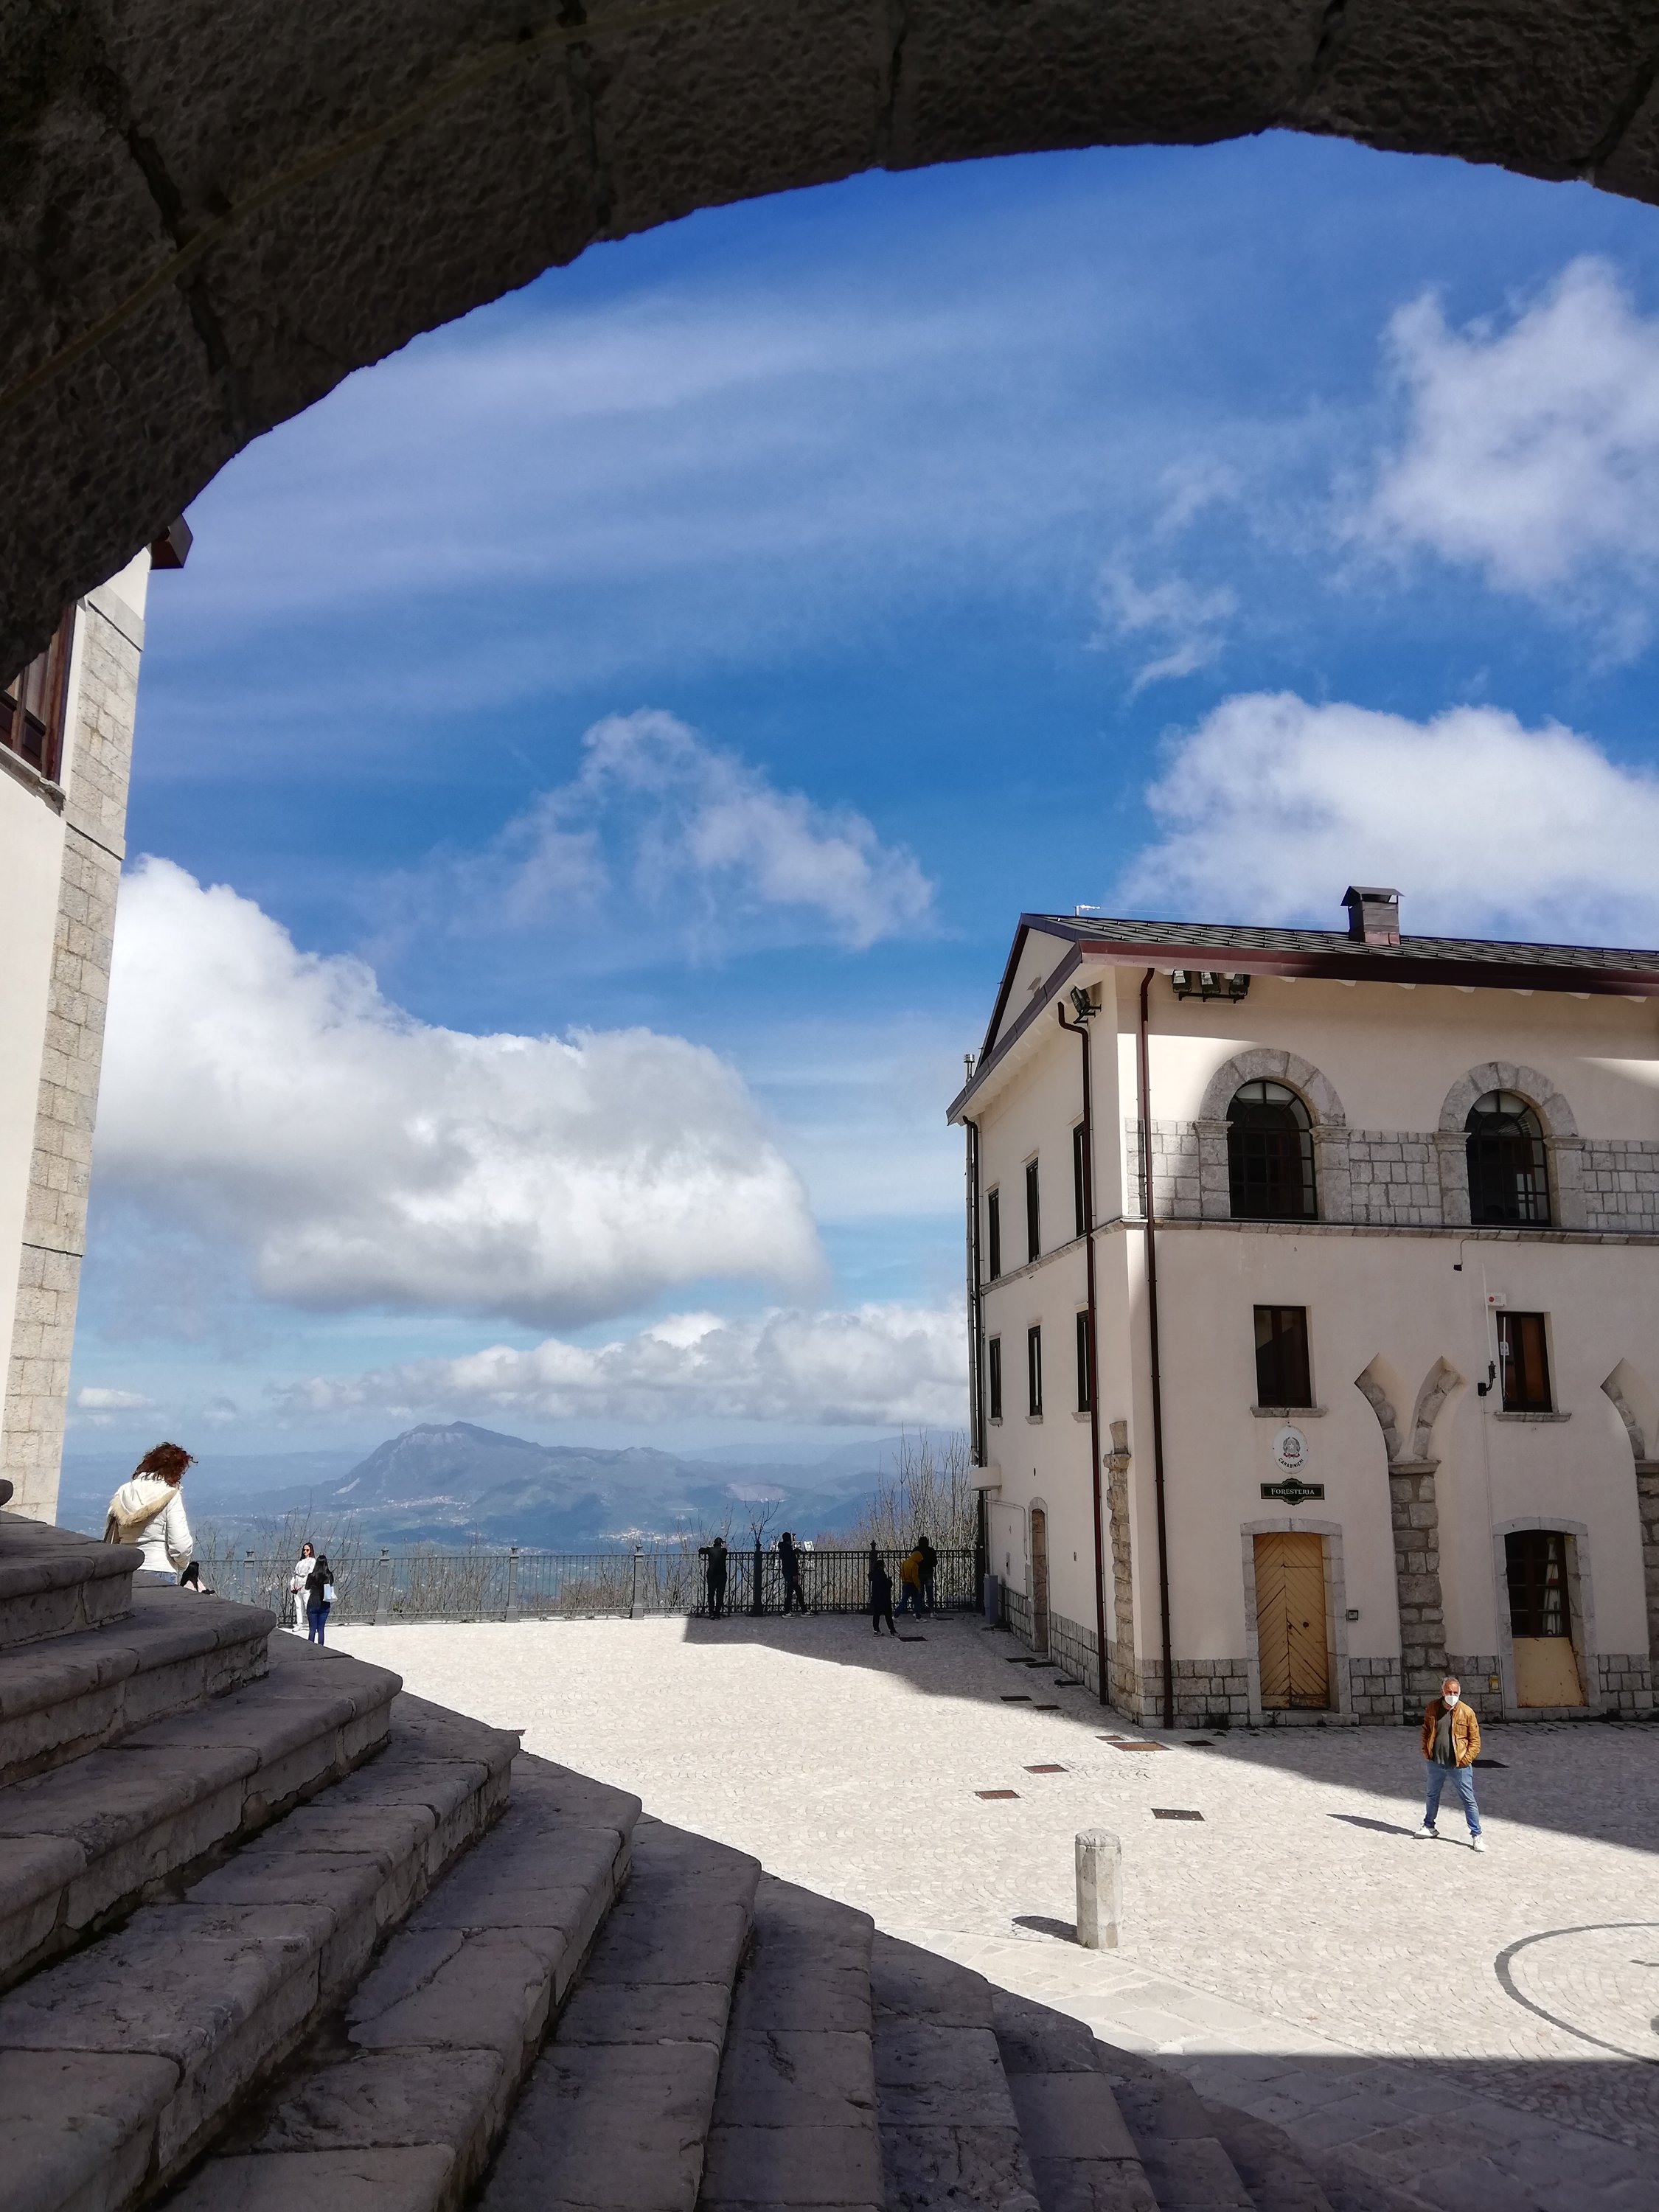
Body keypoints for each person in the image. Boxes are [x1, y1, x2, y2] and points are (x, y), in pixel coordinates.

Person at [103, 1443, 196, 1582]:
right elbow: (180, 1545)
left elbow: (111, 1538)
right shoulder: (170, 1494)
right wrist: (182, 1564)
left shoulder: (123, 1492)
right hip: (159, 1568)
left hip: (125, 1569)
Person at [1416, 1675, 1485, 1851]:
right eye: (1449, 1692)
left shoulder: (1467, 1712)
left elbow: (1475, 1741)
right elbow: (1426, 1730)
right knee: (1432, 1795)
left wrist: (1465, 1759)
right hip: (1436, 1762)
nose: (1452, 1695)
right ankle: (1429, 1826)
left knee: (1468, 1799)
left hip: (1459, 1765)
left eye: (1455, 1692)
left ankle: (1476, 1835)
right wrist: (1426, 1751)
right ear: (1442, 1692)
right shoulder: (1433, 1707)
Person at [305, 1553, 333, 1644]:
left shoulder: (312, 1576)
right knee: (321, 1629)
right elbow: (331, 1586)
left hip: (313, 1602)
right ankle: (321, 1648)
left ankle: (310, 1648)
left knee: (312, 1629)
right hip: (325, 1604)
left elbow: (307, 1587)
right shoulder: (329, 1576)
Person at [289, 1540, 316, 1634]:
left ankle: (313, 1624)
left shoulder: (312, 1561)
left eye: (307, 1550)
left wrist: (302, 1584)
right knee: (298, 1606)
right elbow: (295, 1574)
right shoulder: (300, 1562)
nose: (305, 1552)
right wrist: (292, 1584)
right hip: (297, 1585)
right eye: (304, 1550)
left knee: (308, 1605)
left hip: (305, 1586)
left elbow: (310, 1575)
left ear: (310, 1551)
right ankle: (299, 1623)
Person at [869, 1544, 896, 1636]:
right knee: (888, 1615)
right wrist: (889, 1581)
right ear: (881, 1567)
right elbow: (887, 1585)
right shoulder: (882, 1575)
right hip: (884, 1599)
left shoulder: (874, 1575)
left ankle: (876, 1630)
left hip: (876, 1598)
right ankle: (892, 1631)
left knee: (876, 1615)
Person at [701, 1536, 728, 1619]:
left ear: (714, 1544)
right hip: (722, 1575)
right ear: (721, 1544)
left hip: (712, 1575)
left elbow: (701, 1550)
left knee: (711, 1594)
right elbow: (723, 1549)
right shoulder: (724, 1551)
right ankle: (717, 1612)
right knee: (720, 1595)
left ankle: (711, 1612)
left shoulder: (710, 1550)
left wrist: (708, 1548)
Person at [778, 1531, 804, 1614]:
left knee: (793, 1591)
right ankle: (790, 1611)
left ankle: (801, 1610)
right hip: (791, 1573)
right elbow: (791, 1563)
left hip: (787, 1572)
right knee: (794, 1592)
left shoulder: (783, 1549)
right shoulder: (788, 1550)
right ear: (790, 1540)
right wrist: (795, 1575)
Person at [897, 1543, 924, 1618]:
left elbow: (901, 1574)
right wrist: (918, 1586)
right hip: (912, 1585)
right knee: (917, 1601)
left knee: (903, 1601)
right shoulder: (914, 1565)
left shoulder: (904, 1563)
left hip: (905, 1583)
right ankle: (918, 1616)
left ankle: (896, 1615)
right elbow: (915, 1577)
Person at [919, 1535, 937, 1615]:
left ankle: (918, 1610)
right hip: (929, 1573)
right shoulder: (931, 1551)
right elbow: (935, 1563)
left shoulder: (916, 1550)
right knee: (930, 1592)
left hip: (919, 1573)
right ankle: (931, 1611)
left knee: (919, 1593)